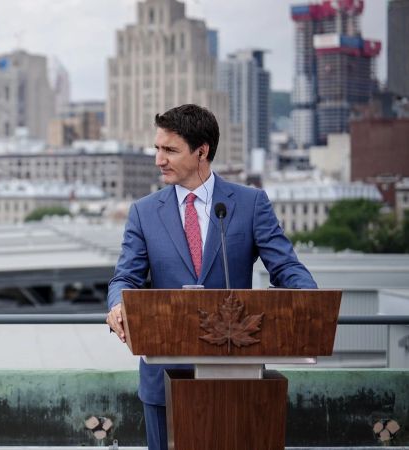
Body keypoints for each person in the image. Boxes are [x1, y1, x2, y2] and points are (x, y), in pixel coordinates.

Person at [105, 104, 317, 450]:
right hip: (164, 379)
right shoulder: (143, 212)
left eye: (170, 150)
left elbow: (287, 268)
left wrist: (310, 302)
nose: (159, 159)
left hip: (235, 378)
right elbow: (124, 277)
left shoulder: (250, 204)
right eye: (157, 149)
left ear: (202, 151)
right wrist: (117, 306)